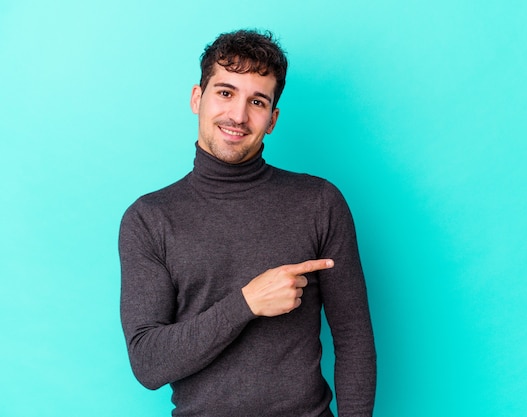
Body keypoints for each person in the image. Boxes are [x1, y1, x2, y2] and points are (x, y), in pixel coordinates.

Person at [119, 29, 376, 417]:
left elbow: (354, 339)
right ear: (196, 99)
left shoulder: (319, 202)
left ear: (272, 119)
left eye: (257, 101)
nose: (238, 116)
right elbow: (149, 363)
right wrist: (247, 303)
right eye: (225, 92)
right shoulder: (149, 218)